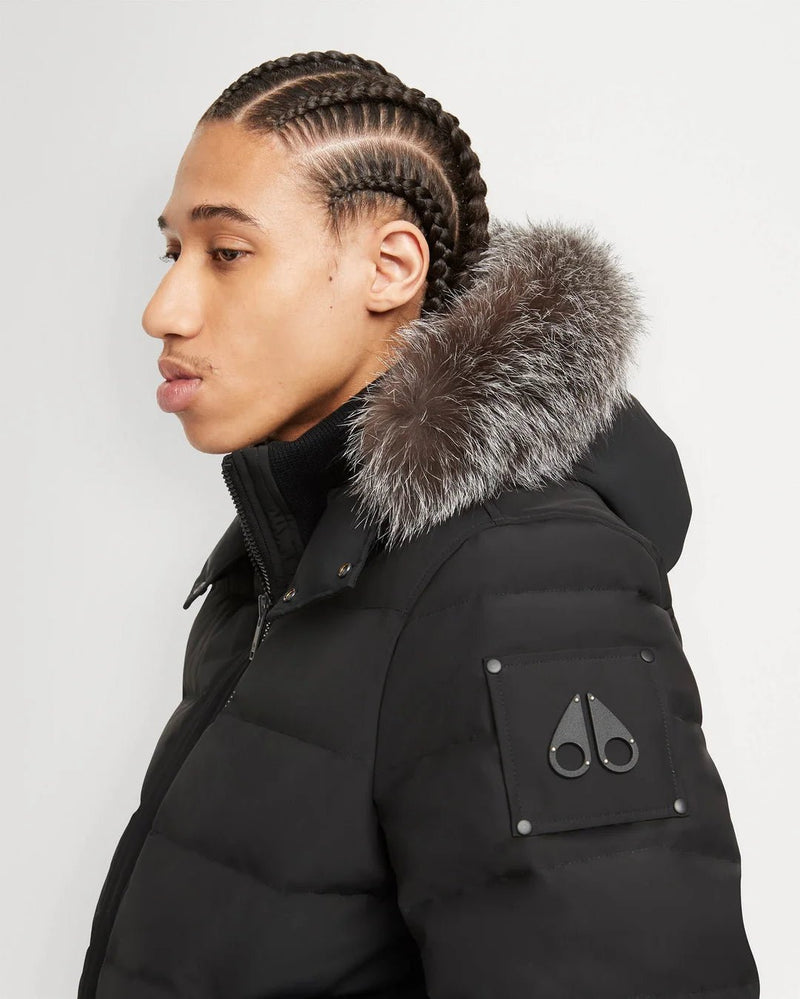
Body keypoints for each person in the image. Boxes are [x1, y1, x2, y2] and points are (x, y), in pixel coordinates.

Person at [78, 49, 760, 999]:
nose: (164, 309)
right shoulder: (292, 565)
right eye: (172, 252)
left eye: (226, 253)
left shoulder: (521, 574)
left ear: (390, 268)